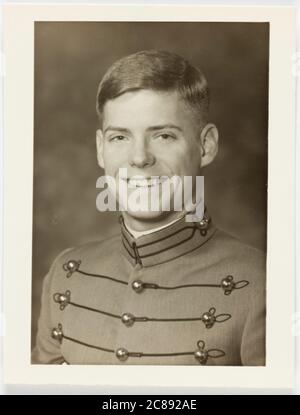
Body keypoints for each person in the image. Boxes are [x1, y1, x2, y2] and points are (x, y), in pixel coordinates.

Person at [32, 50, 266, 365]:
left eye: (164, 135)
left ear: (205, 145)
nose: (140, 158)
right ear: (101, 149)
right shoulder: (66, 273)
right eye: (120, 138)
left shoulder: (265, 283)